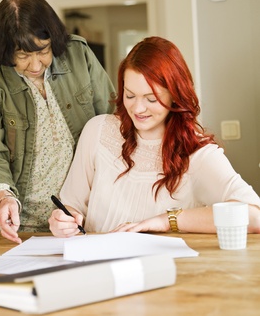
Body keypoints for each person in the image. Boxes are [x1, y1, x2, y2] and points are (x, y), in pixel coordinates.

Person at [49, 36, 260, 237]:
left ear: (175, 95)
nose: (138, 108)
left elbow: (254, 216)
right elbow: (72, 205)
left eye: (151, 99)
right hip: (94, 267)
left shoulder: (196, 153)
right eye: (130, 95)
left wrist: (167, 221)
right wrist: (63, 220)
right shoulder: (97, 130)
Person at [0, 0, 116, 244]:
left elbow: (113, 123)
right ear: (5, 52)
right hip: (14, 227)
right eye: (23, 56)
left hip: (74, 218)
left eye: (42, 51)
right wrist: (4, 197)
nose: (36, 65)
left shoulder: (79, 55)